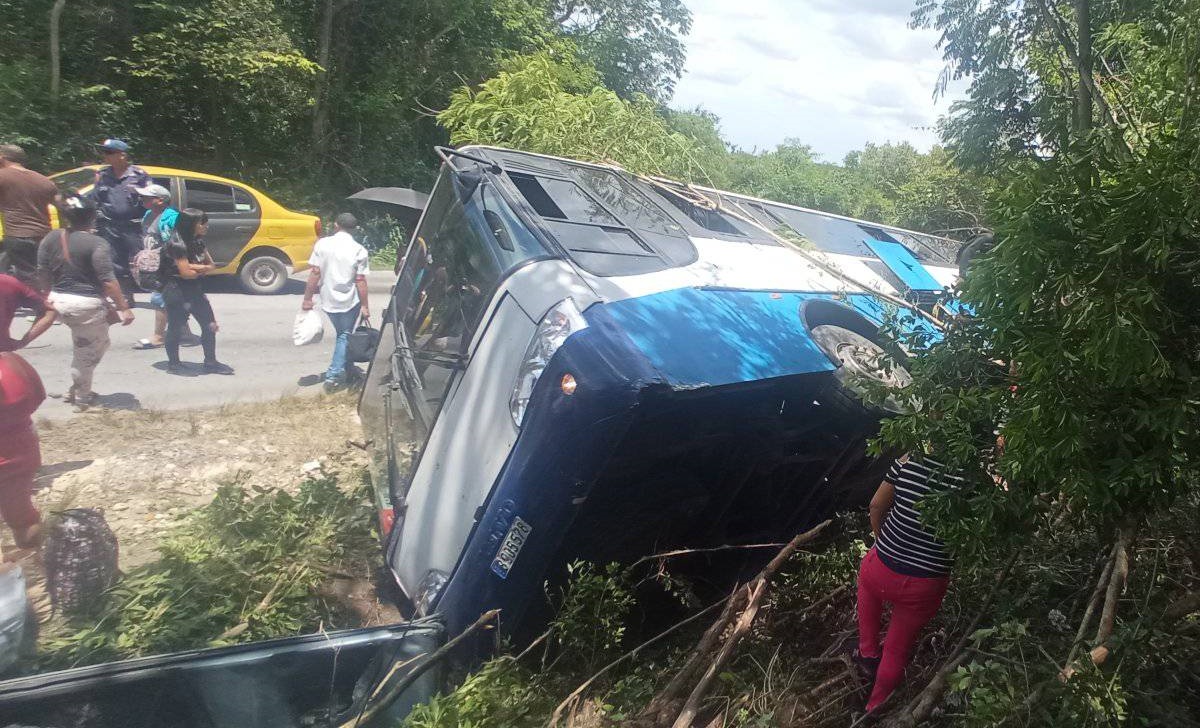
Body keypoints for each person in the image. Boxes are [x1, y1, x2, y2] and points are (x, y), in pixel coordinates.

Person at [854, 454, 963, 713]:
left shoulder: (909, 459)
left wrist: (884, 543)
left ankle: (867, 652)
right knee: (897, 648)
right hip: (926, 583)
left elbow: (876, 506)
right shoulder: (975, 481)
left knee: (868, 584)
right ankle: (875, 706)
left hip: (880, 568)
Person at [36, 193, 134, 411]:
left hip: (57, 300)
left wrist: (45, 297)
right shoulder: (97, 243)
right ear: (91, 217)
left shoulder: (51, 237)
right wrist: (124, 308)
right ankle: (82, 398)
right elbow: (108, 280)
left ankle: (77, 386)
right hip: (85, 305)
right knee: (87, 353)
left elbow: (41, 272)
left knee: (92, 346)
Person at [160, 208, 233, 375]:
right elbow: (186, 274)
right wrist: (198, 268)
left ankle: (211, 362)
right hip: (176, 291)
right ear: (191, 224)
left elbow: (212, 265)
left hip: (195, 290)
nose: (206, 226)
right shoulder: (176, 244)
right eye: (202, 223)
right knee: (175, 328)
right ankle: (174, 364)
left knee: (210, 325)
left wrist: (194, 267)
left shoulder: (199, 242)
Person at [302, 213, 369, 392]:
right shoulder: (359, 249)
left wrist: (307, 298)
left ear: (336, 225)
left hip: (328, 299)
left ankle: (347, 367)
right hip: (350, 300)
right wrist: (365, 305)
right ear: (354, 229)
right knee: (344, 335)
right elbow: (360, 280)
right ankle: (333, 376)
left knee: (342, 334)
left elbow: (315, 273)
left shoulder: (322, 244)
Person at [88, 139, 150, 299]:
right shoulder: (102, 175)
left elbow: (150, 200)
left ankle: (157, 295)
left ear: (122, 155)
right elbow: (95, 200)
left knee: (141, 261)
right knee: (115, 263)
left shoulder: (139, 175)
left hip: (134, 226)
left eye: (109, 152)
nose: (105, 156)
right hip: (110, 226)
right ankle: (124, 296)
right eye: (104, 152)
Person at [0, 351, 46, 550]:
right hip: (20, 451)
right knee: (22, 518)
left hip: (14, 453)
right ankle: (37, 562)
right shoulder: (11, 361)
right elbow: (38, 396)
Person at [0, 144, 58, 287]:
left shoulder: (2, 176)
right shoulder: (43, 180)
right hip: (44, 236)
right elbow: (62, 205)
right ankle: (45, 303)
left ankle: (41, 307)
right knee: (43, 274)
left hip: (18, 236)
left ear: (2, 158)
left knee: (25, 278)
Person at [131, 182, 178, 350]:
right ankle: (182, 331)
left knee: (159, 298)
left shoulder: (171, 217)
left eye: (147, 197)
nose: (142, 199)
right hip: (156, 264)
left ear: (160, 200)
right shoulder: (148, 214)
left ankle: (158, 336)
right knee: (178, 298)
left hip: (167, 264)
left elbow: (175, 242)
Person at [0, 273, 55, 352]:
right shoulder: (9, 283)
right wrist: (24, 342)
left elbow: (49, 310)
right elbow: (49, 311)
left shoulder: (9, 283)